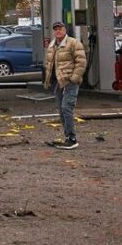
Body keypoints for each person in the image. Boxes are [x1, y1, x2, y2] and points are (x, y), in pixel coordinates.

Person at [43, 21, 87, 150]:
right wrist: (48, 80)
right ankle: (67, 137)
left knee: (66, 107)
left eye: (60, 28)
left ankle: (72, 138)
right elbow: (49, 64)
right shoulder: (52, 45)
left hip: (70, 81)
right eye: (55, 29)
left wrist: (74, 78)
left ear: (65, 30)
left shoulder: (73, 43)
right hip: (58, 81)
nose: (58, 31)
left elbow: (81, 62)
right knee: (62, 110)